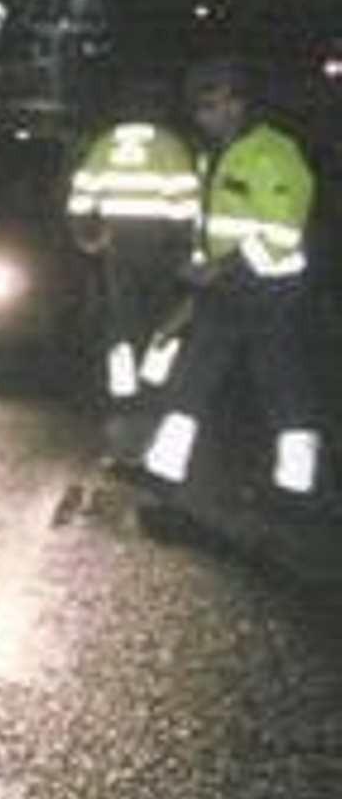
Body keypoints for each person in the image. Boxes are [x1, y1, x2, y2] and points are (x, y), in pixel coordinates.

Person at [142, 59, 325, 502]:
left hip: (269, 291)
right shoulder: (216, 154)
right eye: (199, 107)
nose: (204, 115)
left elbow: (282, 233)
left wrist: (220, 269)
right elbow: (218, 226)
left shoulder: (273, 153)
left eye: (212, 104)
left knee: (280, 382)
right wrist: (198, 265)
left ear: (238, 104)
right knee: (194, 376)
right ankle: (163, 469)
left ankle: (296, 487)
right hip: (225, 287)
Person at [65, 107, 201, 425]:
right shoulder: (169, 145)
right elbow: (186, 204)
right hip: (161, 244)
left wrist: (87, 236)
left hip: (118, 243)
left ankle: (123, 393)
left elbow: (80, 199)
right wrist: (187, 248)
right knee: (165, 318)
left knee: (122, 317)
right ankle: (154, 385)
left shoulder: (104, 144)